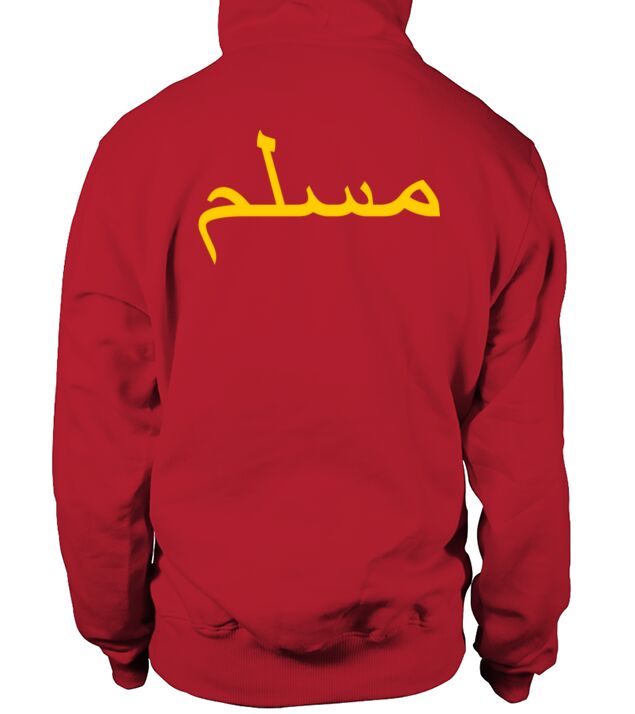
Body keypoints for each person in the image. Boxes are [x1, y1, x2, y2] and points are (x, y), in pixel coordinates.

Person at [52, 0, 570, 706]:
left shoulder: (140, 152)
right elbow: (522, 442)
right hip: (414, 656)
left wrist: (116, 629)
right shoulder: (493, 156)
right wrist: (516, 645)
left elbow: (102, 428)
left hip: (202, 650)